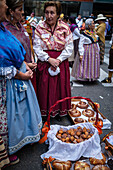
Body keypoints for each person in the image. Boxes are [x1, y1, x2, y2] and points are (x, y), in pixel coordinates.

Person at [0, 0, 42, 166]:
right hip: (10, 81)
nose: (22, 13)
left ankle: (22, 140)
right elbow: (3, 63)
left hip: (20, 73)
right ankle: (9, 148)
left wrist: (26, 65)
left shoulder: (8, 28)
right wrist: (21, 74)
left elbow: (16, 53)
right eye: (3, 3)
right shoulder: (5, 28)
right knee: (11, 115)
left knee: (21, 113)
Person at [33, 1, 73, 120]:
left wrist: (59, 59)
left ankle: (60, 112)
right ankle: (45, 113)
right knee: (44, 89)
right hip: (45, 62)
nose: (49, 16)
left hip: (61, 62)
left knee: (60, 88)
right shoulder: (39, 27)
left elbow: (69, 46)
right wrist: (48, 59)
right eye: (47, 12)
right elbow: (36, 47)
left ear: (58, 14)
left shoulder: (65, 27)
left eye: (52, 13)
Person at [3, 0, 37, 94]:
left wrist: (32, 58)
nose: (22, 12)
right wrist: (25, 63)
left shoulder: (20, 25)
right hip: (18, 74)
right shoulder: (6, 29)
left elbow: (28, 44)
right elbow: (8, 55)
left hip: (29, 70)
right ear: (11, 11)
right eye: (20, 9)